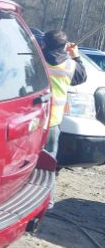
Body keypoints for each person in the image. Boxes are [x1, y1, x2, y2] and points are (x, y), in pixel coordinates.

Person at [42, 30, 87, 158]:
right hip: (53, 120)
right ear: (63, 46)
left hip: (33, 119)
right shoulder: (70, 65)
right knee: (48, 161)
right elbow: (82, 77)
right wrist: (75, 56)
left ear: (44, 44)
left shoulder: (36, 61)